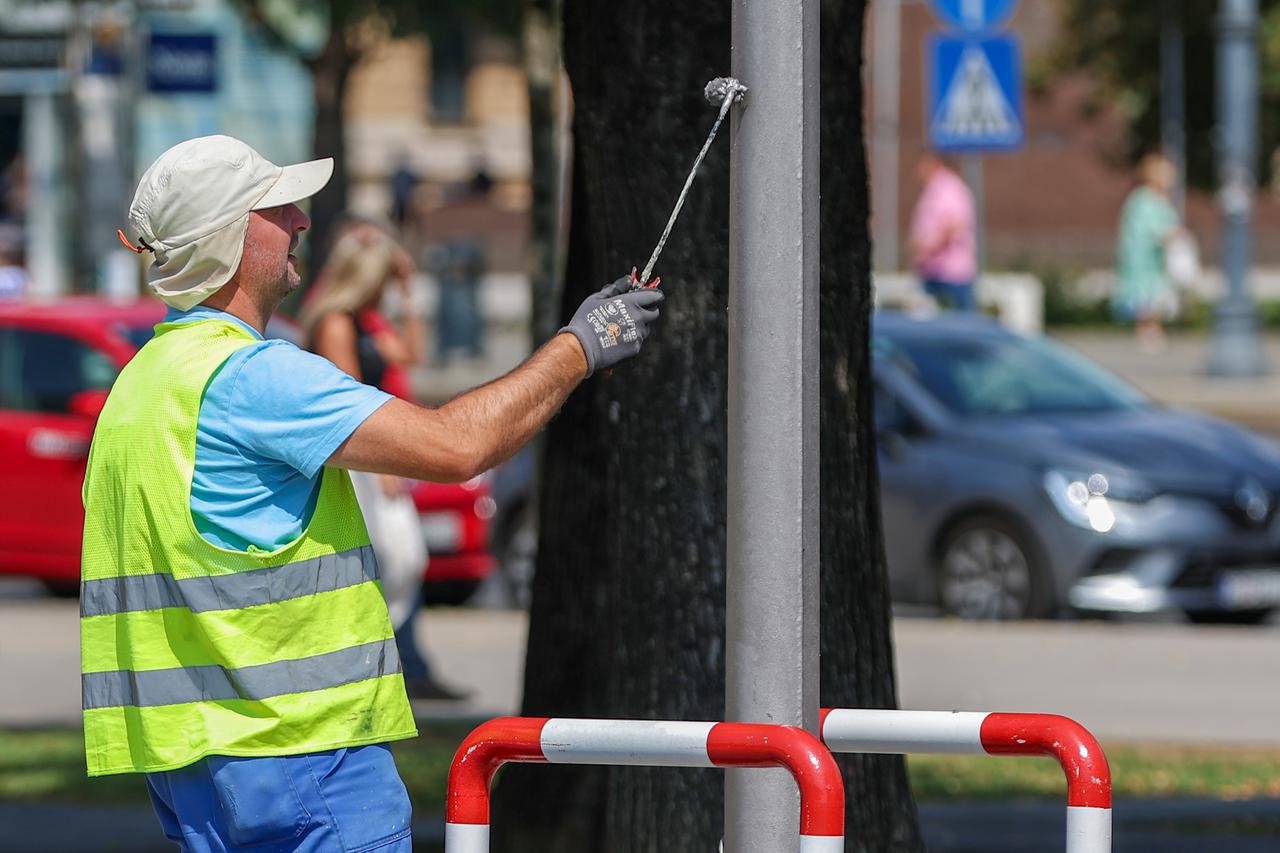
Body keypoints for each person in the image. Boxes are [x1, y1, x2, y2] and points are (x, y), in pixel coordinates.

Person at [84, 135, 664, 850]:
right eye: (278, 207)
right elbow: (459, 446)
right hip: (303, 754)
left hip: (195, 768)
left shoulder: (138, 385)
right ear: (227, 237)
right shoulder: (254, 376)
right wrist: (581, 344)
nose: (301, 219)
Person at [300, 222, 467, 701]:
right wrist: (386, 462)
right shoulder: (336, 322)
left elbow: (411, 353)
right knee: (390, 557)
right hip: (363, 459)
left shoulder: (368, 320)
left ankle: (391, 662)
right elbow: (349, 400)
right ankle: (374, 663)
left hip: (383, 454)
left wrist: (408, 292)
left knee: (404, 559)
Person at [1115, 152, 1182, 351]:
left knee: (1154, 292)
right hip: (1142, 259)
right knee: (1145, 293)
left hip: (1155, 259)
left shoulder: (1157, 199)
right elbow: (1149, 229)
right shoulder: (1143, 200)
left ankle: (1152, 329)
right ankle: (1147, 330)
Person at [909, 151, 977, 311]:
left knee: (957, 329)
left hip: (950, 275)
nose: (918, 172)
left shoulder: (948, 189)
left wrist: (925, 250)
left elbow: (953, 228)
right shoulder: (932, 190)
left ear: (933, 164)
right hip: (932, 272)